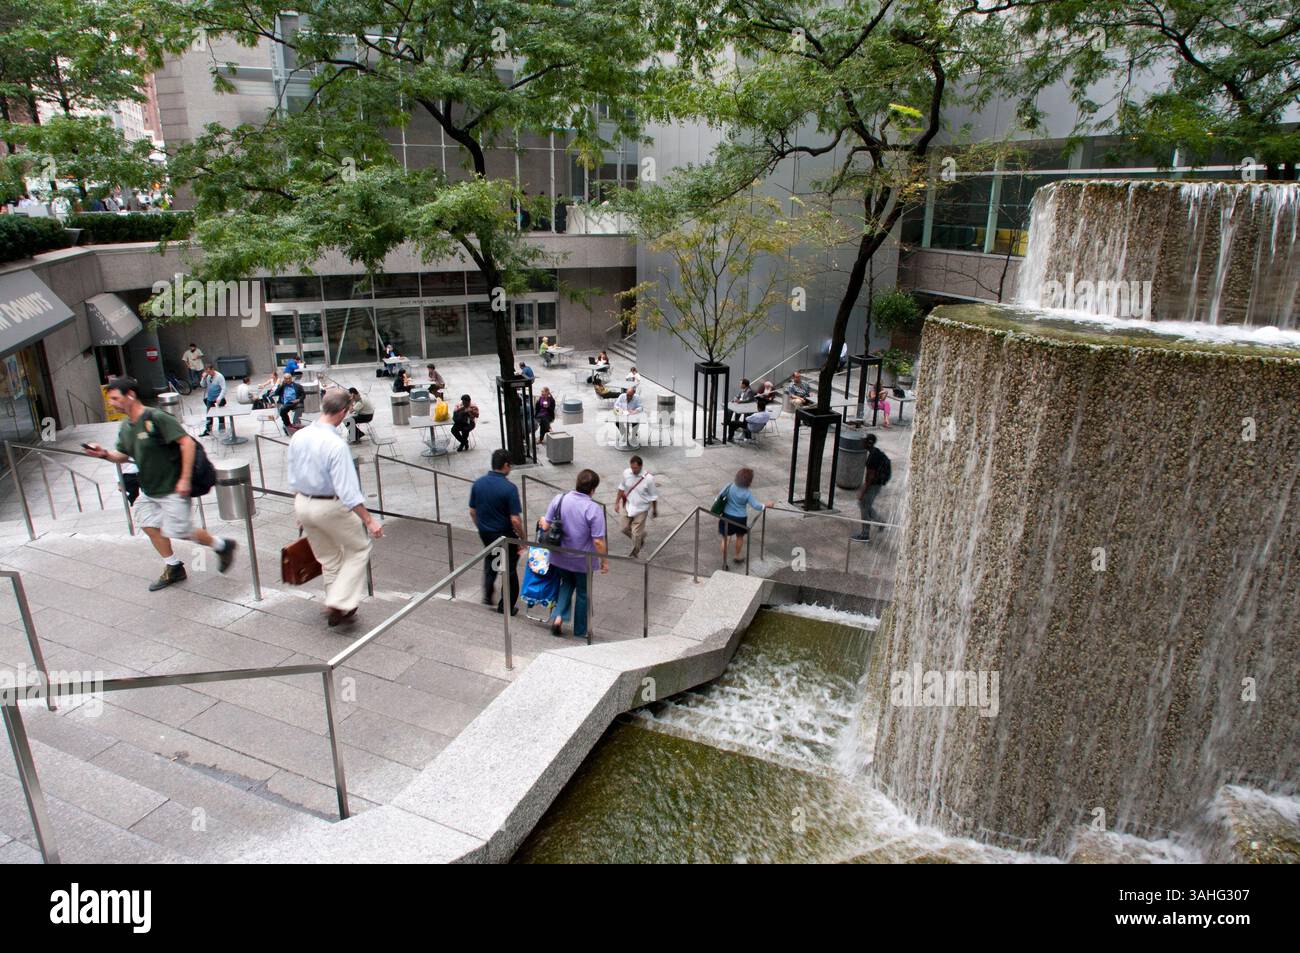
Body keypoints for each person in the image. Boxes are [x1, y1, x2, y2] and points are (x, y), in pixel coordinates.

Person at [83, 377, 237, 591]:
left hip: (172, 487)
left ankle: (222, 545)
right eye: (110, 399)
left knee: (181, 531)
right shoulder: (126, 427)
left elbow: (186, 443)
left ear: (131, 395)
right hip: (149, 489)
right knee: (147, 523)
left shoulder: (156, 417)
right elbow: (122, 455)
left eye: (115, 398)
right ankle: (173, 566)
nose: (112, 403)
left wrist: (184, 479)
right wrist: (104, 454)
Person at [287, 388, 384, 627]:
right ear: (343, 412)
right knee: (359, 549)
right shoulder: (336, 444)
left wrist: (298, 510)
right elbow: (348, 491)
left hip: (304, 503)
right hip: (329, 506)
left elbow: (293, 475)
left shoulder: (299, 436)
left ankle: (339, 605)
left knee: (329, 557)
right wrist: (369, 520)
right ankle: (339, 602)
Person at [538, 469, 608, 638]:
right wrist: (604, 561)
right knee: (583, 593)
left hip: (560, 556)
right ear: (592, 489)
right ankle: (580, 630)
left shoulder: (559, 499)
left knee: (566, 584)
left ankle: (558, 617)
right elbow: (598, 541)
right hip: (582, 561)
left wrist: (541, 520)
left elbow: (546, 526)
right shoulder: (593, 509)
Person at [468, 449, 525, 615]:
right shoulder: (509, 488)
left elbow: (472, 510)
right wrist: (522, 536)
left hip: (486, 532)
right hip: (504, 534)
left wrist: (480, 526)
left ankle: (488, 591)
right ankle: (505, 606)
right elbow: (515, 519)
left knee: (492, 558)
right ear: (506, 465)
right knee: (509, 569)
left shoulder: (478, 483)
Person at [716, 467, 773, 567]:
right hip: (740, 518)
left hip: (726, 516)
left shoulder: (729, 486)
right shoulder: (747, 493)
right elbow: (756, 506)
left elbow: (719, 497)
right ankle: (737, 555)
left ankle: (724, 561)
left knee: (726, 538)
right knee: (740, 537)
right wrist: (766, 505)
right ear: (748, 481)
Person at [614, 455, 658, 558]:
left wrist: (655, 510)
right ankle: (640, 537)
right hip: (628, 505)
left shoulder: (649, 479)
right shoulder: (626, 473)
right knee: (624, 528)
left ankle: (635, 553)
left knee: (636, 533)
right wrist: (616, 502)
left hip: (641, 509)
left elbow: (653, 496)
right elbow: (621, 488)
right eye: (632, 468)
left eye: (636, 468)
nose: (633, 470)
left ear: (641, 466)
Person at [852, 434, 892, 542]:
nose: (861, 443)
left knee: (864, 507)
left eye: (863, 441)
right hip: (877, 484)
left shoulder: (872, 458)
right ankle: (880, 523)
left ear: (868, 443)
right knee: (864, 505)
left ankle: (865, 534)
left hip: (873, 485)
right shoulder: (876, 452)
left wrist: (863, 491)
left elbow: (870, 477)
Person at [198, 364, 228, 437]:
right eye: (207, 372)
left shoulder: (219, 376)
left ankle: (222, 429)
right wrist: (203, 378)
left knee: (220, 415)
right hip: (210, 398)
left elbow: (224, 388)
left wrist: (219, 398)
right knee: (209, 414)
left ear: (213, 369)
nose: (209, 373)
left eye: (210, 371)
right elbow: (203, 385)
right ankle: (208, 430)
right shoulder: (208, 376)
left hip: (218, 398)